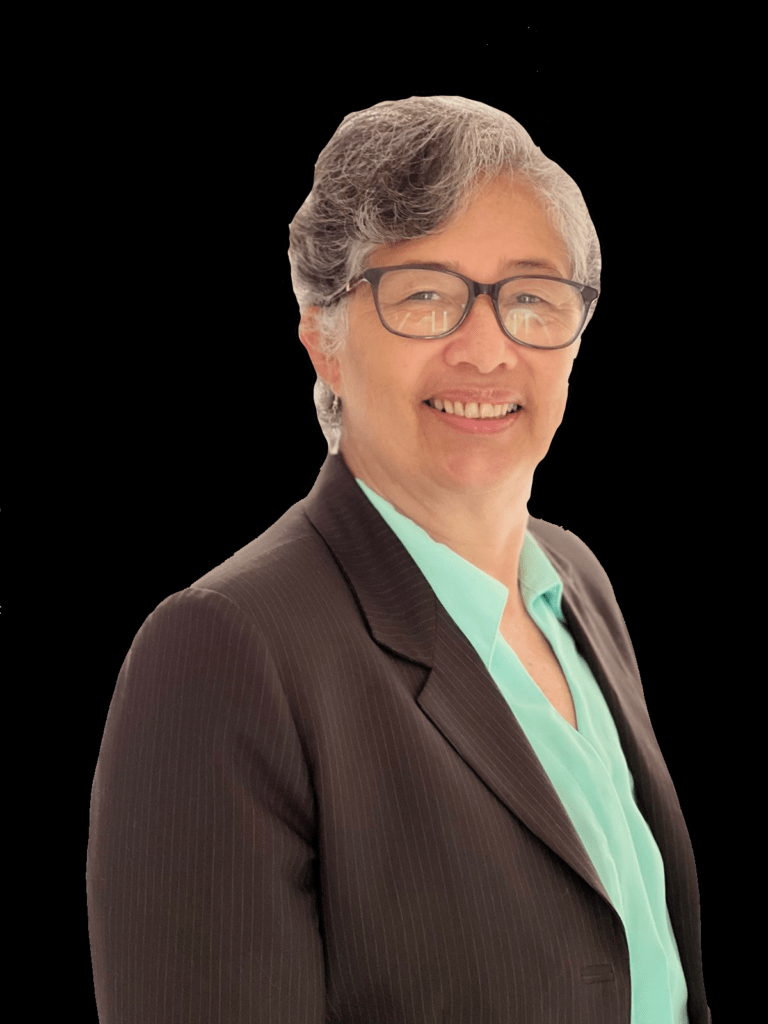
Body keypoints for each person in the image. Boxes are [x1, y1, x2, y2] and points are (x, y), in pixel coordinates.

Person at [86, 96, 710, 1023]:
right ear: (324, 343)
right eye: (425, 295)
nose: (487, 351)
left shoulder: (574, 581)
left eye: (530, 296)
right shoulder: (223, 653)